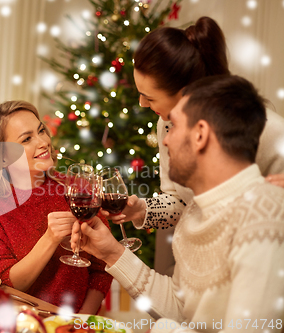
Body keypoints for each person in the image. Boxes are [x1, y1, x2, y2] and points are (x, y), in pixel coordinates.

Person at [74, 75, 284, 332]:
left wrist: (161, 330)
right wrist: (111, 253)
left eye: (173, 127)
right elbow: (181, 308)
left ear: (200, 135)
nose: (165, 140)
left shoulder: (265, 211)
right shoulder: (195, 212)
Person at [110, 17, 284, 232]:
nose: (142, 103)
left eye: (150, 98)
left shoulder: (269, 132)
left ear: (187, 93)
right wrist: (142, 211)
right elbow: (181, 202)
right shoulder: (166, 124)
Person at [0, 101, 112, 314]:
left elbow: (102, 268)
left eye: (41, 130)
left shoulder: (77, 189)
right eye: (27, 139)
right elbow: (0, 284)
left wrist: (80, 321)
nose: (43, 142)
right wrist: (49, 239)